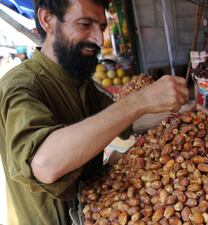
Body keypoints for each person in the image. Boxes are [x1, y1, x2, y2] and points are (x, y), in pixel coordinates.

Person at [0, 0, 189, 224]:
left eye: (101, 27)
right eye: (84, 24)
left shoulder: (79, 82)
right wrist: (139, 99)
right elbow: (45, 164)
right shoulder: (20, 86)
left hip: (90, 211)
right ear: (47, 20)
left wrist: (183, 111)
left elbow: (127, 122)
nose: (99, 39)